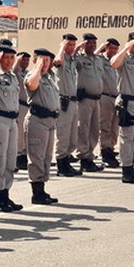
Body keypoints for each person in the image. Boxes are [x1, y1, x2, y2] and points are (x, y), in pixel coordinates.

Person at [111, 32, 134, 184]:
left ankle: (132, 166)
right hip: (126, 101)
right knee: (126, 136)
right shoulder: (124, 59)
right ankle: (126, 170)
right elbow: (113, 63)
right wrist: (125, 49)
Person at [0, 44, 22, 211]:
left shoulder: (13, 76)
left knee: (10, 160)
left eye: (11, 58)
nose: (8, 61)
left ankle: (6, 194)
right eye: (5, 58)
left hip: (12, 120)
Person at [24, 48, 61, 204]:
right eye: (41, 60)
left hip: (50, 121)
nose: (45, 63)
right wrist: (38, 68)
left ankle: (42, 189)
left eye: (47, 61)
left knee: (46, 157)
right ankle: (36, 193)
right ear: (35, 61)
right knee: (37, 157)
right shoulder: (32, 76)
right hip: (37, 120)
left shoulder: (50, 77)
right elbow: (32, 85)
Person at [73, 33, 105, 173]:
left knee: (94, 130)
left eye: (94, 43)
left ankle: (90, 156)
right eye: (89, 43)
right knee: (83, 129)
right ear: (84, 44)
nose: (92, 45)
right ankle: (83, 157)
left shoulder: (98, 59)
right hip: (85, 99)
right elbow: (70, 60)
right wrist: (77, 48)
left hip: (97, 99)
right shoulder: (80, 58)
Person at [53, 33, 81, 176]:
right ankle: (61, 166)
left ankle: (67, 161)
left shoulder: (72, 60)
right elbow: (57, 60)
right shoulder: (61, 58)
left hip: (73, 101)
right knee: (63, 135)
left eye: (73, 45)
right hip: (63, 101)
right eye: (69, 44)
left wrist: (77, 49)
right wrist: (62, 47)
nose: (72, 47)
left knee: (72, 135)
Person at [97, 39, 122, 168]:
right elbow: (91, 59)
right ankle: (105, 151)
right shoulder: (100, 60)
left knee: (115, 127)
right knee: (105, 126)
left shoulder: (118, 61)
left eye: (115, 48)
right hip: (105, 96)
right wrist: (100, 49)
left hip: (117, 97)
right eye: (110, 48)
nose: (112, 51)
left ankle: (111, 148)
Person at [14, 50, 32, 171]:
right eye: (23, 59)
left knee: (26, 133)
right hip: (20, 105)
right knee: (20, 133)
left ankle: (25, 155)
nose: (25, 62)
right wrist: (17, 61)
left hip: (28, 106)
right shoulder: (17, 72)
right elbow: (14, 71)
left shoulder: (27, 73)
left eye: (27, 60)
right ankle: (19, 157)